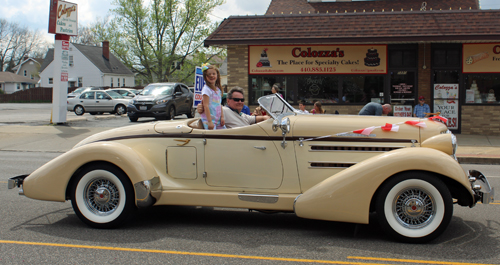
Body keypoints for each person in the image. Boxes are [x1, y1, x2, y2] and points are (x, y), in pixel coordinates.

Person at [197, 87, 270, 128]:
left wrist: (268, 118)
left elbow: (260, 118)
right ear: (228, 101)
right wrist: (201, 108)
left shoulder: (242, 115)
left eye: (242, 100)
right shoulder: (224, 110)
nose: (240, 102)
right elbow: (212, 109)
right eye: (236, 100)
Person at [200, 64, 225, 130]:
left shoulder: (218, 89)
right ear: (205, 77)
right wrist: (209, 121)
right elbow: (206, 106)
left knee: (224, 134)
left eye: (214, 74)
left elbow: (219, 104)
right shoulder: (206, 89)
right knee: (212, 137)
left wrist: (222, 117)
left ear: (217, 75)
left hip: (218, 119)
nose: (211, 75)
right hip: (210, 119)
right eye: (209, 74)